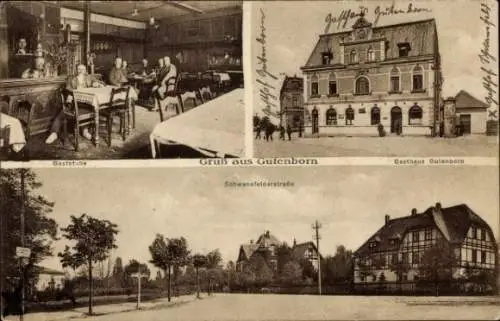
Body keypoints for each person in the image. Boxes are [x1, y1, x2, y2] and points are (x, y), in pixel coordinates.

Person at [45, 64, 103, 144]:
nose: (80, 71)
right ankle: (54, 133)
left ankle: (85, 131)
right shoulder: (71, 79)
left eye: (82, 69)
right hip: (74, 103)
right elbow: (67, 89)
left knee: (89, 111)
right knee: (62, 113)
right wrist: (73, 93)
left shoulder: (89, 77)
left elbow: (100, 82)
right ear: (76, 70)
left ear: (85, 70)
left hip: (86, 104)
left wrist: (98, 84)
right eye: (79, 69)